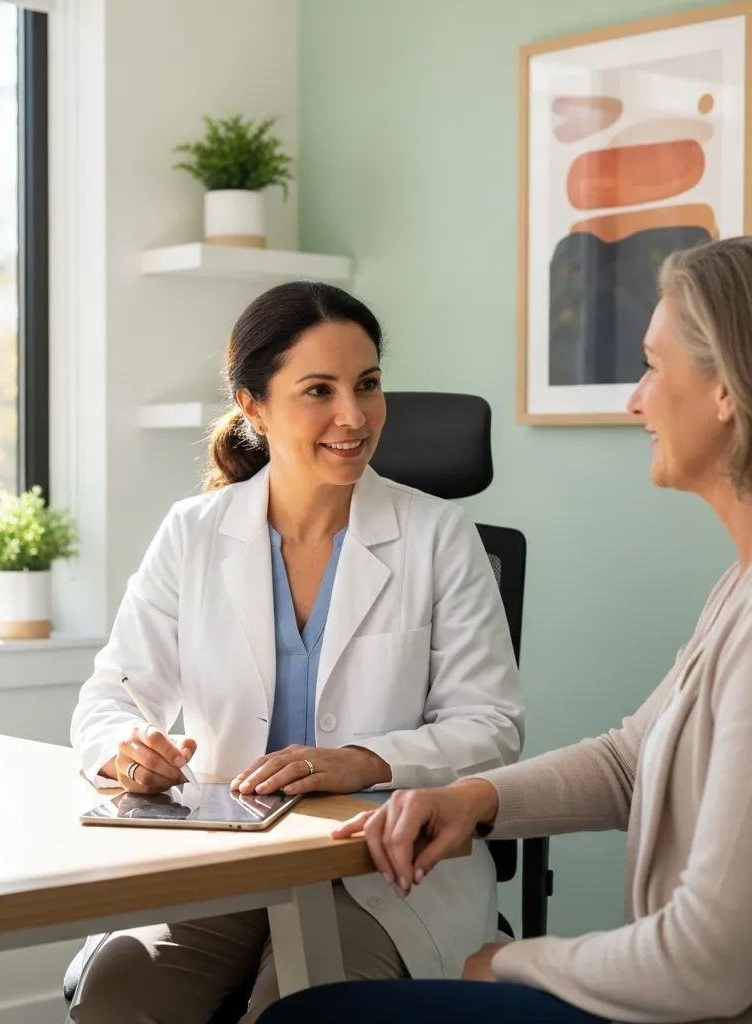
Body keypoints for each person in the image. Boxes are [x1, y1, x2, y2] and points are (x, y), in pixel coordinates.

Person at [261, 234, 752, 1024]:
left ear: (727, 392)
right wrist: (472, 800)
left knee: (310, 1013)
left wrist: (516, 961)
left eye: (651, 367)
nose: (634, 400)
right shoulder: (744, 586)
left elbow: (707, 962)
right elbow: (631, 760)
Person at [68, 280, 524, 1023]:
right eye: (320, 390)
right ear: (253, 405)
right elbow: (110, 695)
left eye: (368, 384)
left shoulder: (440, 536)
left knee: (304, 1006)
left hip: (382, 869)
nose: (354, 415)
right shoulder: (193, 532)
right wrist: (127, 750)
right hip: (227, 865)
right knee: (119, 996)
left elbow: (493, 726)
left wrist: (366, 760)